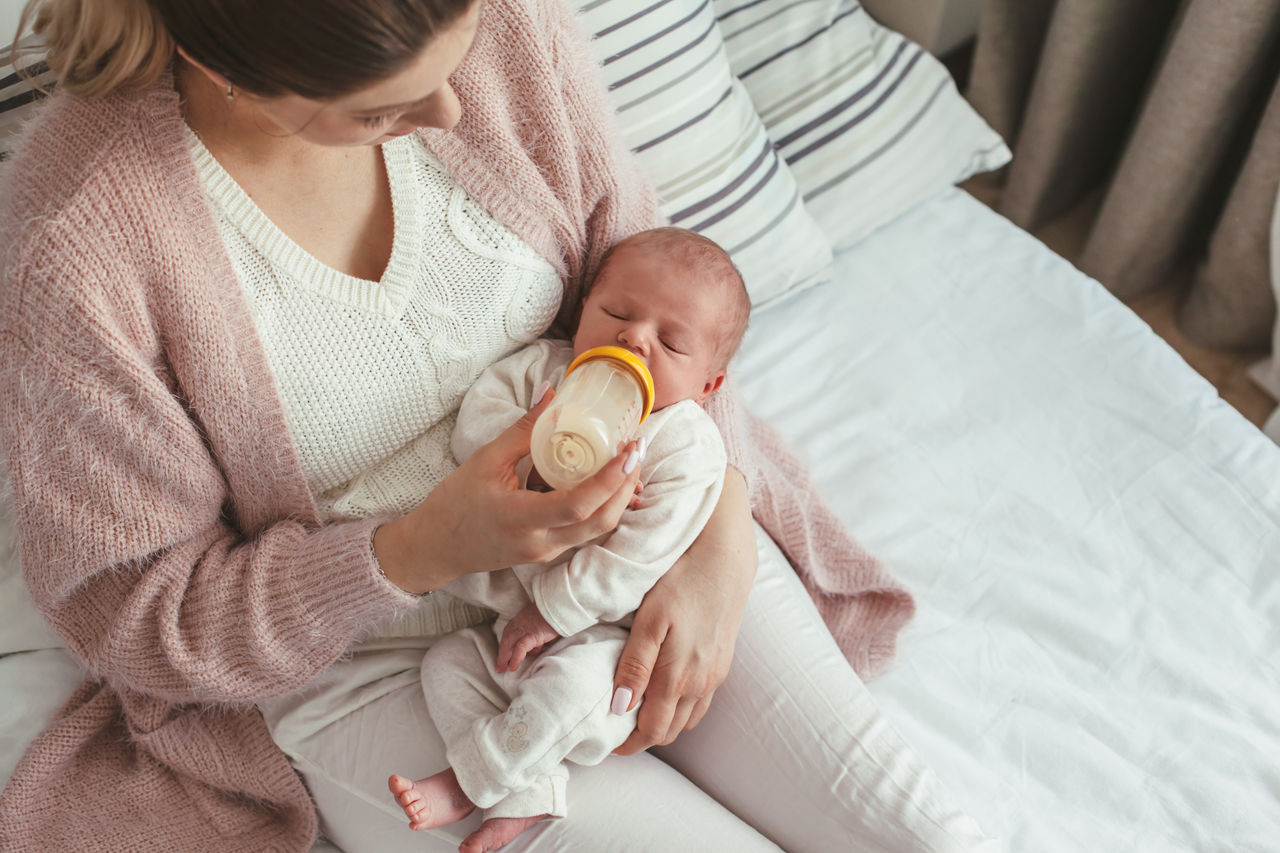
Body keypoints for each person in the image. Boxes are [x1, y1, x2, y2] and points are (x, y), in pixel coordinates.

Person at [0, 0, 994, 851]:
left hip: (642, 535)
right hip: (370, 659)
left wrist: (720, 527)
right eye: (381, 108)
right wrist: (412, 551)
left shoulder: (501, 26)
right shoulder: (79, 245)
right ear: (229, 72)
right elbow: (140, 615)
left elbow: (659, 293)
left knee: (912, 829)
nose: (453, 110)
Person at [387, 227, 750, 851]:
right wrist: (526, 459)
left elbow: (639, 555)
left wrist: (553, 613)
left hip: (609, 634)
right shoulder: (540, 373)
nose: (634, 337)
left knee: (580, 691)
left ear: (708, 386)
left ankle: (470, 781)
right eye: (616, 313)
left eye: (669, 342)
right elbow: (478, 427)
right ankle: (528, 791)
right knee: (445, 666)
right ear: (583, 311)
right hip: (504, 622)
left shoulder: (684, 445)